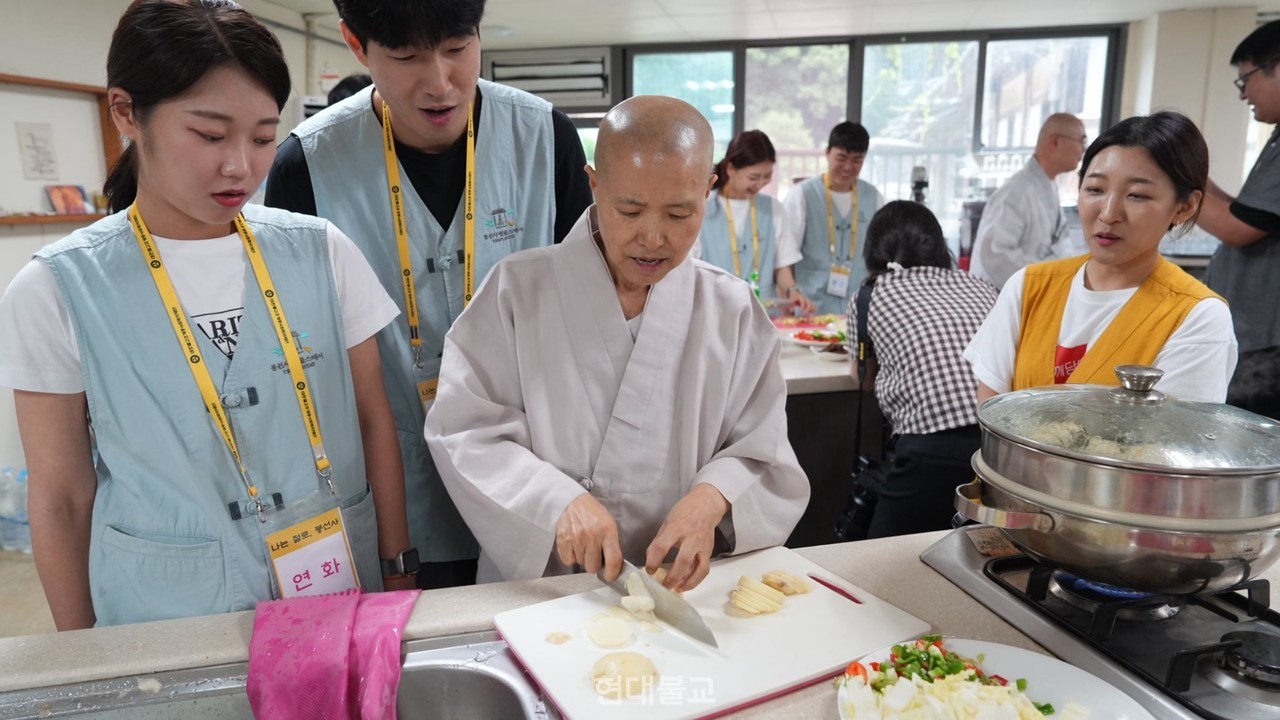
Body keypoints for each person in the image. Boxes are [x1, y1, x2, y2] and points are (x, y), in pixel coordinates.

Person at [0, 0, 411, 629]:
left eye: (264, 136)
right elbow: (60, 498)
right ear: (126, 112)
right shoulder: (56, 289)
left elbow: (374, 421)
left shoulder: (321, 252)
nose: (239, 166)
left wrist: (398, 568)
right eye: (211, 135)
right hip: (163, 619)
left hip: (336, 598)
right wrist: (79, 657)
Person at [265, 0, 594, 589]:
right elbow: (301, 363)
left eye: (457, 49)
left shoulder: (545, 139)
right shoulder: (306, 167)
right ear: (355, 43)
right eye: (407, 56)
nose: (440, 83)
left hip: (541, 487)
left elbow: (590, 314)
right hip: (397, 507)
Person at [423, 96, 810, 591]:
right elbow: (464, 432)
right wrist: (554, 501)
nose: (652, 238)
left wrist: (710, 500)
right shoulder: (516, 292)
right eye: (629, 210)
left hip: (680, 584)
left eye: (678, 214)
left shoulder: (732, 310)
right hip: (546, 586)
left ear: (709, 191)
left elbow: (762, 449)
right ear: (594, 184)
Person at [965, 111, 1238, 403]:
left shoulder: (1197, 317)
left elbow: (1174, 439)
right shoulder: (1027, 287)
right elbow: (991, 408)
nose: (1108, 214)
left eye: (1137, 195)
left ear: (1184, 207)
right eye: (1095, 189)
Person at [847, 201, 997, 538]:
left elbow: (862, 378)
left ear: (874, 249)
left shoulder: (870, 295)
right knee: (972, 559)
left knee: (878, 565)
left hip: (929, 448)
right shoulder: (982, 286)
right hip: (999, 451)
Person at [1199, 20, 1280, 420]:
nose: (1244, 92)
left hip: (1268, 342)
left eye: (1245, 78)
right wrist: (1192, 174)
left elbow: (1237, 228)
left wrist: (1176, 183)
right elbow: (1245, 211)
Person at [969, 114, 1088, 289]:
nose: (1083, 150)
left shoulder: (1048, 186)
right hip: (999, 299)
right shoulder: (1016, 193)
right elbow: (995, 255)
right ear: (1055, 142)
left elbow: (1061, 243)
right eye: (1081, 141)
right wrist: (1046, 273)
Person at [778, 121, 884, 315]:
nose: (848, 167)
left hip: (857, 305)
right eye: (841, 158)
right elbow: (785, 255)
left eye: (857, 160)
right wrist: (791, 293)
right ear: (827, 152)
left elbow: (880, 255)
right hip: (810, 305)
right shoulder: (801, 194)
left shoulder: (874, 197)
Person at [692, 130, 797, 300]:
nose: (761, 184)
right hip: (716, 310)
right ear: (731, 169)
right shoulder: (702, 209)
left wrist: (792, 291)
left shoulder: (774, 209)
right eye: (754, 177)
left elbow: (782, 266)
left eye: (767, 176)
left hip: (763, 314)